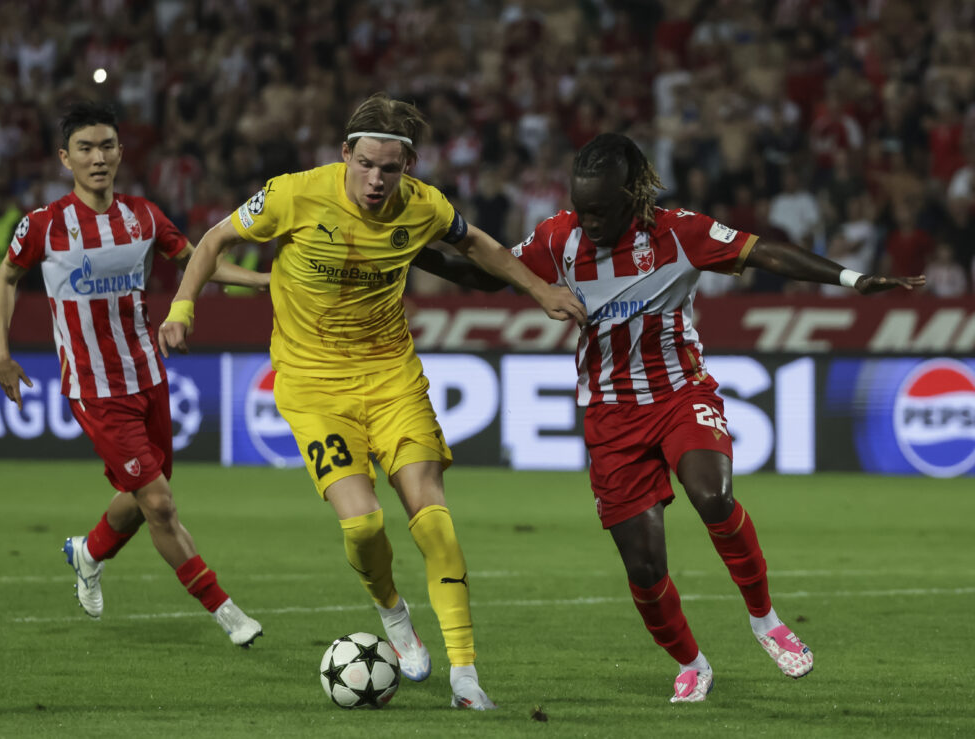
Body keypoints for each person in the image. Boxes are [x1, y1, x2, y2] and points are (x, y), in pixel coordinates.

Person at [427, 132, 925, 703]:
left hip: (680, 396)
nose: (588, 221)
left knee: (712, 495)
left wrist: (851, 280)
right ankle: (692, 662)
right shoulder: (558, 237)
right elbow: (486, 275)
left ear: (632, 197)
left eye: (601, 210)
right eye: (580, 206)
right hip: (610, 419)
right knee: (643, 566)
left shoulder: (678, 233)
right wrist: (411, 251)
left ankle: (765, 619)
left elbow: (763, 252)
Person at [159, 92, 585, 709]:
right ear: (345, 155)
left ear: (407, 166)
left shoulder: (424, 206)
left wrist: (539, 289)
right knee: (363, 525)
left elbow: (479, 246)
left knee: (433, 520)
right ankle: (392, 611)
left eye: (391, 167)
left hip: (391, 379)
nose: (378, 179)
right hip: (312, 388)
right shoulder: (293, 194)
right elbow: (212, 242)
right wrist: (182, 307)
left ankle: (466, 677)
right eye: (367, 164)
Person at [0, 101, 267, 647]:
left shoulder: (143, 216)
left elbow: (197, 260)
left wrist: (264, 283)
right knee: (160, 502)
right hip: (94, 389)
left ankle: (88, 552)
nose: (99, 158)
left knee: (145, 496)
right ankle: (226, 611)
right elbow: (5, 279)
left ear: (120, 152)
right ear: (65, 158)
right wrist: (1, 352)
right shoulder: (44, 226)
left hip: (149, 377)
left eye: (108, 146)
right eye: (86, 148)